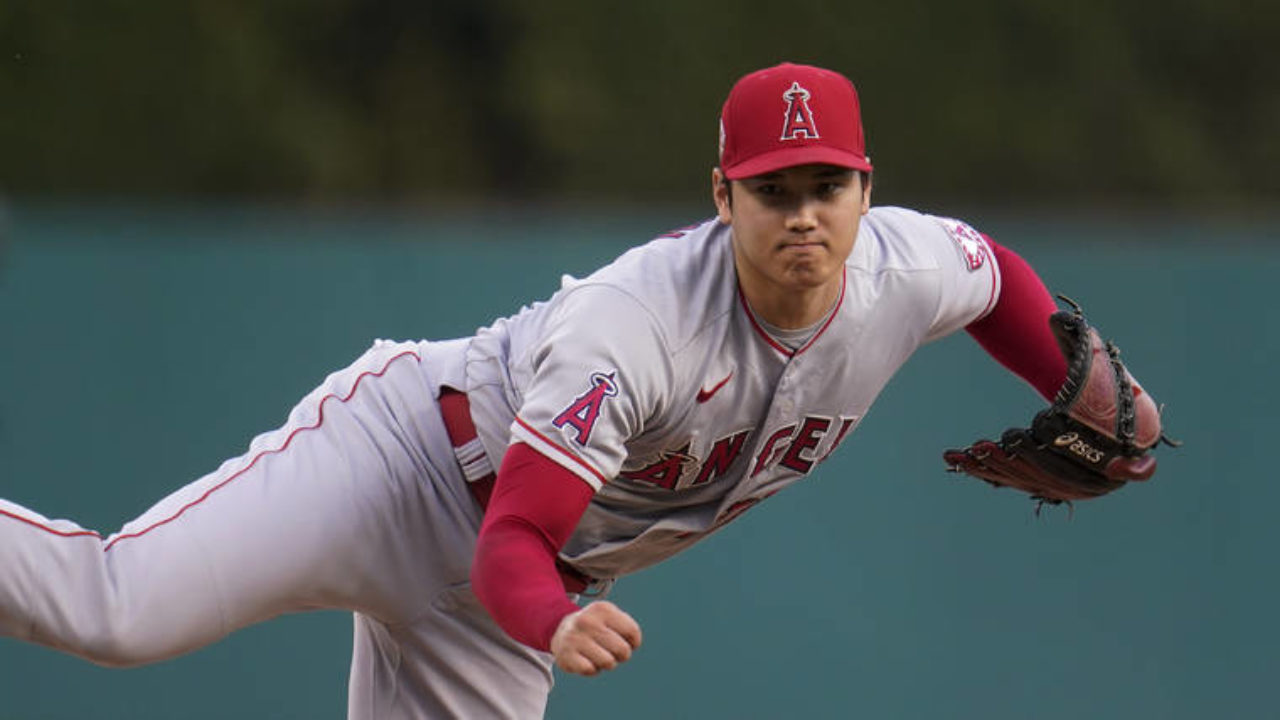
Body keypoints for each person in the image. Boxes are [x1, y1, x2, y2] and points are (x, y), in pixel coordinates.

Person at [0, 62, 1160, 719]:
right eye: (770, 190)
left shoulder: (906, 267)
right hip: (403, 471)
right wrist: (553, 622)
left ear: (866, 188)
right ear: (721, 195)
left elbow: (998, 280)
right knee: (116, 612)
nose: (801, 213)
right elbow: (513, 536)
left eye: (824, 185)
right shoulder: (637, 325)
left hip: (518, 593)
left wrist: (1081, 371)